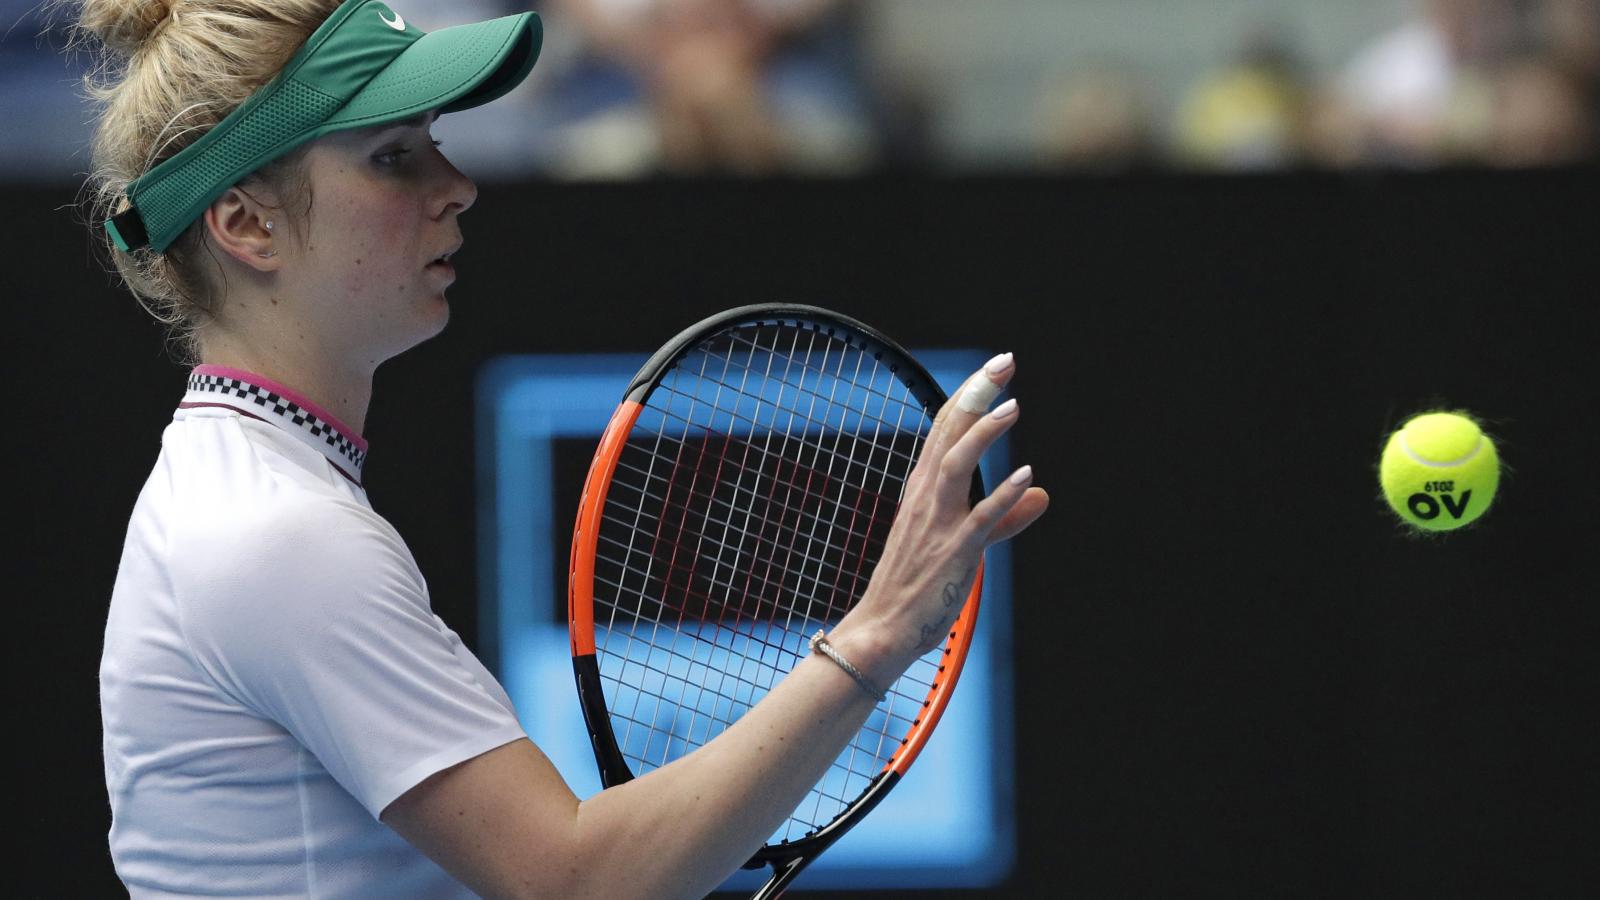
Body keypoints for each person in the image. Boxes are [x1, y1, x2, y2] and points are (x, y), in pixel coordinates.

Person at [77, 0, 1049, 896]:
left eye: (436, 143)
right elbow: (577, 884)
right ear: (246, 223)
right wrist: (876, 636)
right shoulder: (277, 536)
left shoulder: (248, 494)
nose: (456, 187)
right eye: (392, 158)